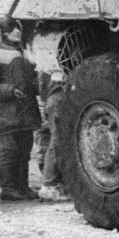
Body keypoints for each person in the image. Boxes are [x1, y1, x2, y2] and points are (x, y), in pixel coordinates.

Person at [0, 17, 42, 201]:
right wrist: (11, 90)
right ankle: (9, 188)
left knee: (24, 151)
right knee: (9, 151)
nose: (17, 32)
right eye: (12, 29)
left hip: (23, 111)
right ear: (3, 33)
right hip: (7, 112)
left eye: (18, 28)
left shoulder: (21, 54)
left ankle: (21, 187)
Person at [35, 68, 70, 202]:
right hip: (58, 100)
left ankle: (52, 183)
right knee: (57, 142)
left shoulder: (45, 67)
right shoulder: (53, 66)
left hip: (54, 100)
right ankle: (49, 185)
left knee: (55, 141)